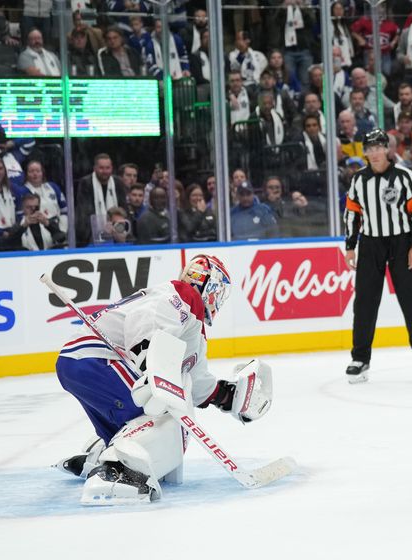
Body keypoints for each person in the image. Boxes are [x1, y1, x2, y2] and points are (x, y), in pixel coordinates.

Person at [54, 255, 273, 504]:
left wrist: (223, 395)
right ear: (211, 287)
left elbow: (196, 378)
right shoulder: (181, 296)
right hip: (95, 359)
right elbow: (146, 319)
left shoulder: (191, 320)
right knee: (162, 416)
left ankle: (100, 456)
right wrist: (150, 364)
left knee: (144, 417)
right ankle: (115, 472)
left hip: (79, 361)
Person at [343, 129, 412, 383]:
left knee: (411, 297)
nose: (373, 153)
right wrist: (350, 246)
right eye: (368, 148)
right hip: (370, 244)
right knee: (364, 302)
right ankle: (360, 359)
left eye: (377, 147)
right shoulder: (359, 180)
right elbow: (352, 214)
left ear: (387, 149)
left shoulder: (404, 176)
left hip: (402, 242)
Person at [75, 153, 127, 247]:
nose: (105, 171)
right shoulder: (86, 183)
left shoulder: (118, 182)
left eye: (108, 168)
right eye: (101, 168)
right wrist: (100, 231)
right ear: (95, 168)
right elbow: (84, 213)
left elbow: (123, 209)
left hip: (117, 232)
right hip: (92, 236)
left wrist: (117, 229)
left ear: (112, 168)